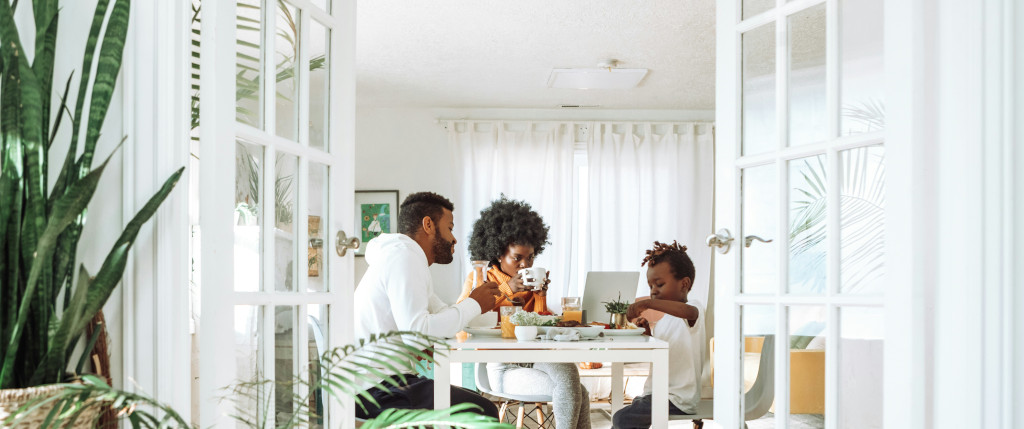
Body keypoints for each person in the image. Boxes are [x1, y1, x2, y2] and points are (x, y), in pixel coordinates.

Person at [353, 192, 500, 419]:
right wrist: (474, 303)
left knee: (475, 399)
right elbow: (417, 333)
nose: (454, 239)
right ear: (428, 224)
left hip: (384, 383)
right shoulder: (404, 256)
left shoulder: (405, 257)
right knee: (482, 410)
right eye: (450, 228)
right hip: (377, 390)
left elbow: (439, 312)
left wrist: (472, 305)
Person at [457, 196, 591, 429]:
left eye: (530, 258)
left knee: (569, 372)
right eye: (517, 258)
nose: (525, 265)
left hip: (536, 356)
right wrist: (508, 289)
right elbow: (462, 325)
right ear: (499, 254)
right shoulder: (480, 279)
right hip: (503, 365)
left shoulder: (530, 285)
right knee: (578, 391)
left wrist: (540, 296)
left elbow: (540, 328)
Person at [612, 240, 705, 429]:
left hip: (677, 399)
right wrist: (646, 331)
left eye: (660, 284)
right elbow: (657, 353)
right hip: (655, 394)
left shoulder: (694, 308)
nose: (653, 290)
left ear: (684, 284)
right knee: (623, 418)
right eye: (650, 285)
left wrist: (647, 304)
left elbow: (689, 313)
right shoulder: (663, 322)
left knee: (622, 419)